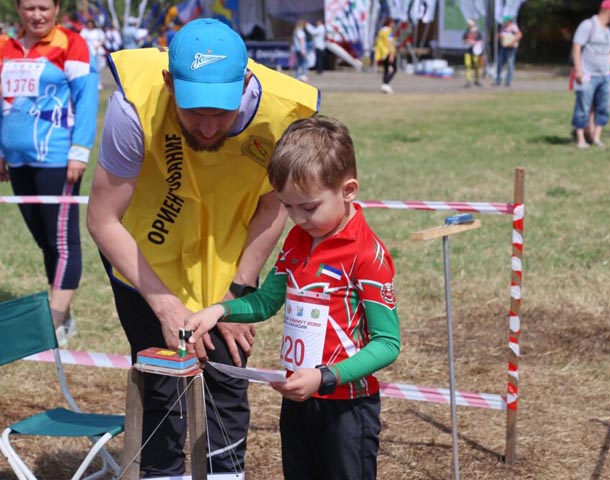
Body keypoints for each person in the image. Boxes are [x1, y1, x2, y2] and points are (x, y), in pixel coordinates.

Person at [86, 18, 319, 476]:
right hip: (145, 260)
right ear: (170, 83)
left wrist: (237, 290)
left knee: (227, 383)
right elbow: (101, 219)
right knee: (162, 394)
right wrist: (164, 305)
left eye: (222, 112)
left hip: (228, 263)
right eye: (194, 112)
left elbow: (275, 203)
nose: (209, 128)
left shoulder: (285, 114)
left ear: (246, 81)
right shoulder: (135, 106)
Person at [184, 114, 401, 480]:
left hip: (347, 410)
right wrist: (217, 311)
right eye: (287, 207)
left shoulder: (367, 254)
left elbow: (387, 343)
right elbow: (266, 301)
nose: (297, 218)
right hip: (299, 400)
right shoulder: (297, 241)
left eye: (309, 207)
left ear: (348, 190)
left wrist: (326, 378)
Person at [0, 0, 98, 347]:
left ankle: (54, 325)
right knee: (44, 241)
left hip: (57, 158)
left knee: (62, 242)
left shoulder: (72, 44)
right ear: (18, 9)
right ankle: (63, 313)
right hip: (17, 159)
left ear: (57, 8)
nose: (36, 15)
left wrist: (79, 151)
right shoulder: (5, 46)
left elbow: (87, 99)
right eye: (29, 8)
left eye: (43, 7)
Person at [571, 0, 610, 149]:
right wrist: (578, 70)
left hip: (605, 76)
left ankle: (596, 137)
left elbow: (608, 56)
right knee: (583, 107)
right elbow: (577, 47)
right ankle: (580, 139)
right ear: (608, 10)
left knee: (603, 107)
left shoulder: (608, 31)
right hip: (587, 75)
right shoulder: (588, 25)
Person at [495, 15, 522, 87]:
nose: (504, 23)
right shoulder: (503, 28)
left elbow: (519, 35)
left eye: (505, 22)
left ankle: (508, 81)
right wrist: (499, 36)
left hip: (511, 48)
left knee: (510, 64)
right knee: (499, 63)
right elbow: (501, 35)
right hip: (504, 47)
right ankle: (498, 81)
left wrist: (512, 42)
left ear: (509, 21)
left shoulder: (513, 27)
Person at [80, 19, 106, 89]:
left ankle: (98, 83)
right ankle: (90, 83)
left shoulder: (98, 31)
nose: (89, 25)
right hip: (88, 51)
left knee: (98, 68)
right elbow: (81, 39)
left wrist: (98, 45)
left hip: (98, 51)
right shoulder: (84, 31)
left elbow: (102, 39)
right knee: (89, 68)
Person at [374, 17, 397, 94]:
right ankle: (386, 84)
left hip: (382, 52)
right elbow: (390, 42)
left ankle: (384, 85)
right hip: (388, 52)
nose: (393, 24)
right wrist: (391, 54)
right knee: (394, 69)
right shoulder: (389, 31)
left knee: (386, 69)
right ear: (389, 23)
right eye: (392, 23)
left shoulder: (381, 31)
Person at [462, 19, 484, 88]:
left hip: (476, 51)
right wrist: (466, 41)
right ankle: (468, 81)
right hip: (468, 51)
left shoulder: (478, 32)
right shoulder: (467, 31)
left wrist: (475, 43)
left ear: (474, 23)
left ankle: (477, 80)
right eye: (468, 23)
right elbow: (463, 40)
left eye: (470, 23)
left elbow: (481, 41)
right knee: (468, 65)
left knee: (476, 65)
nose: (469, 24)